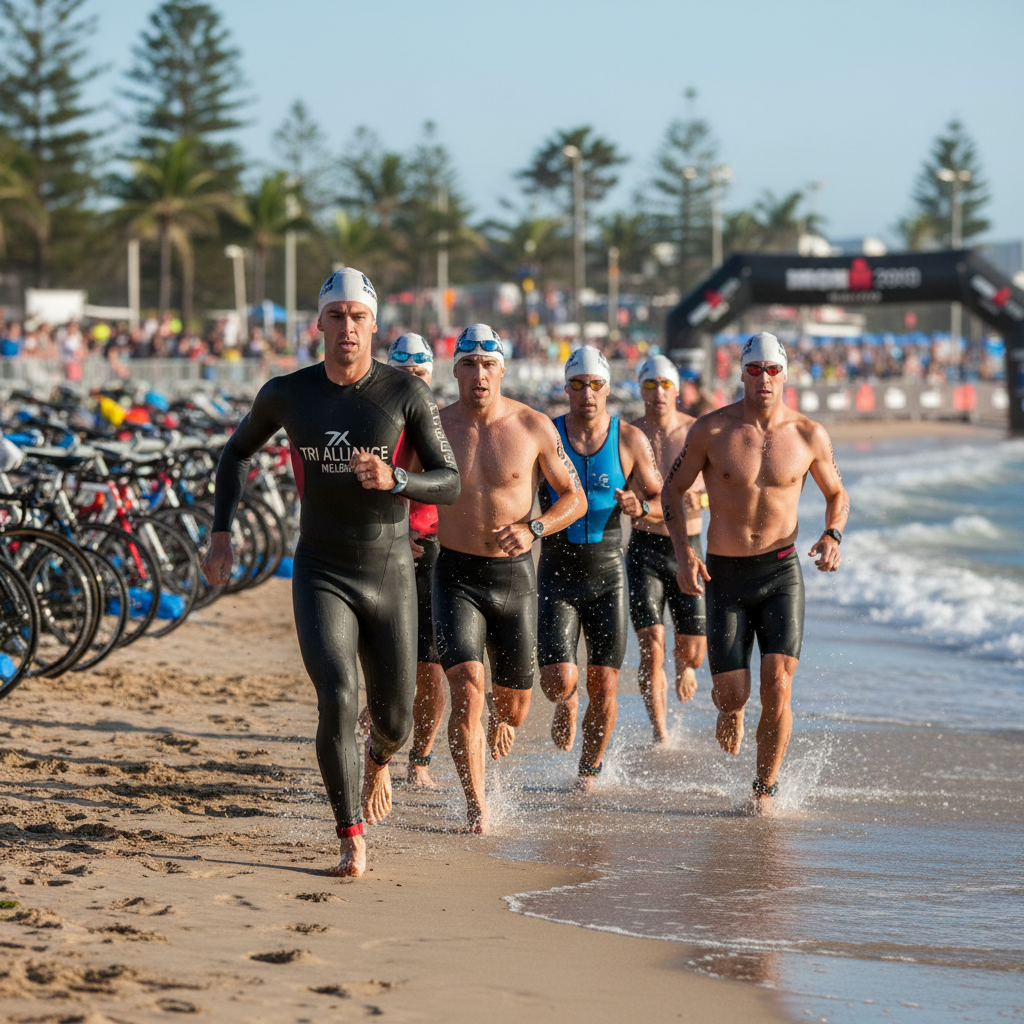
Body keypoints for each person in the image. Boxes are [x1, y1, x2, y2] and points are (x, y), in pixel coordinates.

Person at [201, 269, 460, 876]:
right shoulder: (288, 393)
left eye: (358, 316)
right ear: (319, 322)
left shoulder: (406, 393)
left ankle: (379, 760)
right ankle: (350, 834)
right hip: (321, 567)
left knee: (395, 721)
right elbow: (236, 452)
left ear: (374, 324)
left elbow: (450, 481)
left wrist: (396, 479)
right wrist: (221, 533)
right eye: (337, 315)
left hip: (390, 569)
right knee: (338, 697)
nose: (347, 327)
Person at [661, 333, 849, 814]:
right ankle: (731, 709)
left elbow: (837, 494)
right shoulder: (711, 430)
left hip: (781, 572)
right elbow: (672, 489)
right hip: (725, 575)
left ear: (784, 374)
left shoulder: (808, 434)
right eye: (754, 369)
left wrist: (833, 535)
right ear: (741, 374)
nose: (763, 378)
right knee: (731, 695)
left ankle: (764, 790)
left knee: (778, 685)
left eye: (772, 369)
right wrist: (684, 553)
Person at [435, 324, 585, 832]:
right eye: (469, 365)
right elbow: (400, 483)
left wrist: (534, 527)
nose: (479, 375)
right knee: (467, 688)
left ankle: (510, 718)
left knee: (514, 708)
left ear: (501, 370)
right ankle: (477, 806)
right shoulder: (435, 426)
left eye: (488, 365)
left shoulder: (533, 426)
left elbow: (575, 498)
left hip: (514, 577)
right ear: (456, 370)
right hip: (455, 573)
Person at [538, 346, 665, 791]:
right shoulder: (547, 433)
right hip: (556, 571)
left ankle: (588, 772)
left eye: (595, 384)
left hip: (608, 575)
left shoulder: (628, 439)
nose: (587, 393)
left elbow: (664, 500)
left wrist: (641, 507)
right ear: (566, 388)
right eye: (577, 384)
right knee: (557, 681)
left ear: (608, 388)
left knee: (606, 684)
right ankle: (566, 700)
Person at [627, 355, 707, 745]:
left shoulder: (696, 431)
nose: (658, 392)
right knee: (652, 646)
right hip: (645, 547)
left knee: (693, 652)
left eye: (665, 384)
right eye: (650, 384)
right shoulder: (629, 435)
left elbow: (721, 488)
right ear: (640, 390)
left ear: (677, 389)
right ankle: (660, 732)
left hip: (688, 548)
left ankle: (687, 666)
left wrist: (700, 499)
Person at [386, 333, 447, 789]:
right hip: (383, 549)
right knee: (384, 660)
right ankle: (381, 746)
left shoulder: (442, 425)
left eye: (420, 374)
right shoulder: (374, 422)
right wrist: (395, 531)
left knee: (430, 666)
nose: (413, 381)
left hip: (430, 550)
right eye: (404, 374)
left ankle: (420, 759)